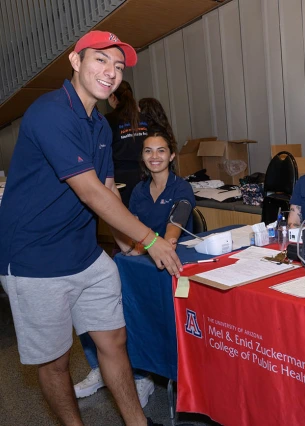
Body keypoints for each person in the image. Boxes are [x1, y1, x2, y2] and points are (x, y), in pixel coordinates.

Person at [0, 30, 182, 426]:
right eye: (101, 60)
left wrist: (124, 242)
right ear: (76, 61)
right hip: (35, 259)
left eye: (118, 67)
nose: (111, 72)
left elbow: (107, 192)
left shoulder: (99, 125)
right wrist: (149, 239)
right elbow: (88, 193)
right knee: (54, 362)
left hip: (85, 255)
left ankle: (137, 422)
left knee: (114, 340)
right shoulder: (50, 112)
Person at [74, 128, 196, 404]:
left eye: (161, 150)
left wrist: (161, 245)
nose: (155, 156)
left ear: (172, 155)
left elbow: (175, 224)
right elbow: (127, 224)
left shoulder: (181, 187)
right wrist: (131, 248)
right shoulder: (140, 190)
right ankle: (101, 368)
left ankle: (143, 375)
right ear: (142, 157)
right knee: (97, 304)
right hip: (142, 260)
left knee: (141, 315)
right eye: (148, 151)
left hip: (169, 262)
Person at [105, 80, 148, 206]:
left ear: (112, 97)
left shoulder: (108, 120)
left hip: (120, 180)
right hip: (145, 174)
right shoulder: (143, 119)